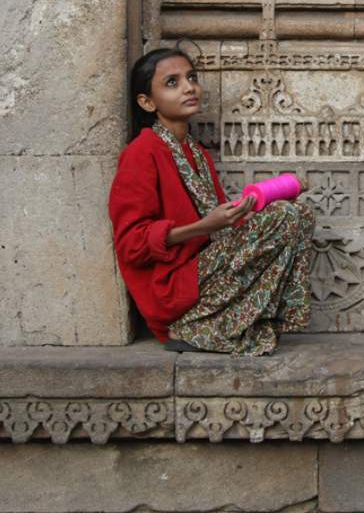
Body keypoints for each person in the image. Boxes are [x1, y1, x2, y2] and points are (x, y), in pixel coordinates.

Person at [107, 47, 315, 355]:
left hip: (204, 269)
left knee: (299, 214)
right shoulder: (142, 151)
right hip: (172, 286)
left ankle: (230, 320)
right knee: (284, 215)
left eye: (191, 78)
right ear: (147, 102)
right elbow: (131, 245)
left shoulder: (196, 153)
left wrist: (241, 212)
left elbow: (220, 229)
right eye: (172, 82)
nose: (189, 87)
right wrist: (202, 226)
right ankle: (191, 325)